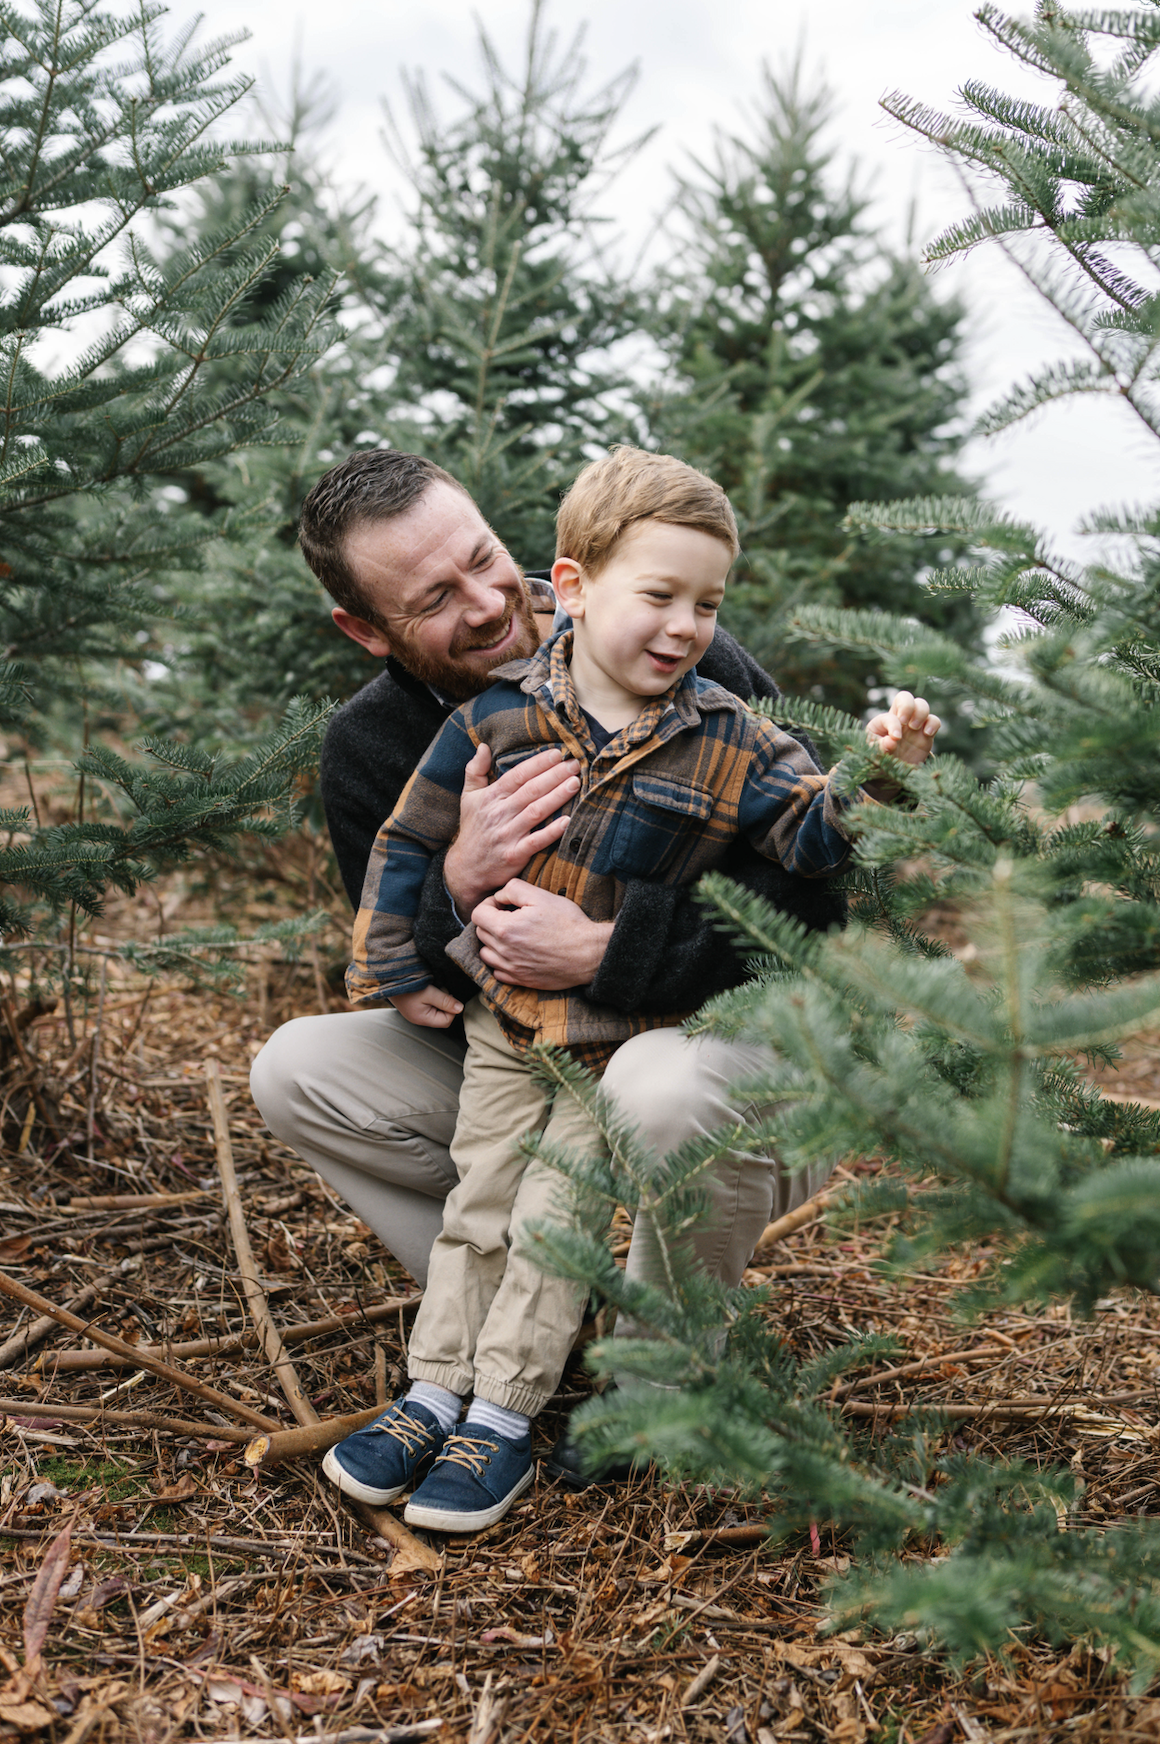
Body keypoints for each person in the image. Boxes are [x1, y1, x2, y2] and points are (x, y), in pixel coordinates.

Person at [247, 447, 935, 1498]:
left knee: (649, 1086)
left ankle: (656, 1369)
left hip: (706, 1059)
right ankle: (501, 1342)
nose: (486, 603)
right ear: (365, 630)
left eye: (484, 557)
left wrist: (615, 953)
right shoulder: (375, 745)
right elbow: (415, 976)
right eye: (433, 598)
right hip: (513, 1050)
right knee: (294, 1066)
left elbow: (806, 904)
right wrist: (459, 885)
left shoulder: (680, 654)